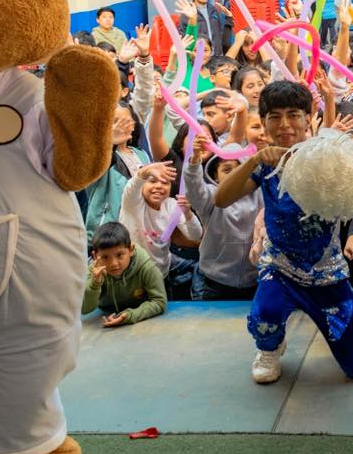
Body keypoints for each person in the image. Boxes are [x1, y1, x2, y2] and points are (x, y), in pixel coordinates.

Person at [215, 80, 353, 385]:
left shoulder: (327, 157)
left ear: (308, 118)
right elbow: (221, 199)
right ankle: (269, 347)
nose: (284, 124)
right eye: (274, 117)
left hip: (327, 273)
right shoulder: (264, 165)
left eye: (293, 115)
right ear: (264, 123)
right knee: (266, 311)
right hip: (280, 267)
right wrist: (254, 159)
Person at [185, 133, 261, 301]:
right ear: (215, 176)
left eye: (240, 169)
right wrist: (195, 159)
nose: (234, 175)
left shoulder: (260, 195)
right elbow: (194, 188)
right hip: (214, 283)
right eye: (227, 170)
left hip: (254, 283)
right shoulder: (211, 197)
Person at [118, 160, 202, 300]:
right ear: (143, 184)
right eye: (152, 181)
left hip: (161, 275)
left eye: (165, 183)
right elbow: (133, 185)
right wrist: (145, 171)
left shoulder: (172, 205)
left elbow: (195, 235)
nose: (158, 186)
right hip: (133, 277)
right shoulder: (132, 203)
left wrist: (188, 213)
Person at [81, 104, 149, 242]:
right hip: (107, 238)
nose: (120, 127)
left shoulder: (141, 154)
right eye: (114, 122)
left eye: (126, 121)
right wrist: (110, 143)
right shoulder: (97, 155)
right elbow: (99, 163)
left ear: (133, 125)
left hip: (139, 233)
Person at [81, 222, 166, 327]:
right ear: (95, 256)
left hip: (142, 324)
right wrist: (95, 284)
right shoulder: (94, 272)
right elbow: (84, 309)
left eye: (119, 255)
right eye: (105, 257)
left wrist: (130, 316)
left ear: (131, 250)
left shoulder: (147, 268)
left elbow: (159, 301)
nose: (113, 263)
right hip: (104, 318)